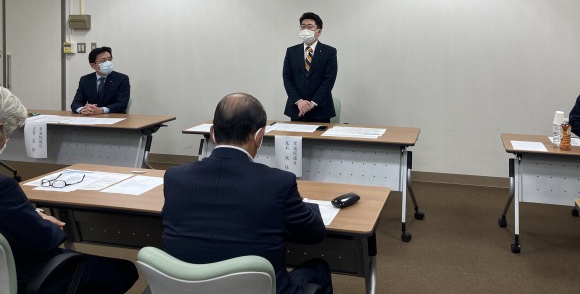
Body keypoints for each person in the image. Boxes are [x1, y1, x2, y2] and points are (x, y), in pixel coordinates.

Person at [163, 93, 333, 294]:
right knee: (319, 269)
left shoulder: (174, 177)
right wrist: (303, 205)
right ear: (259, 136)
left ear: (212, 133)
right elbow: (314, 233)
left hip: (189, 289)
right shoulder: (278, 183)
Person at [0, 87, 138, 294]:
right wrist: (43, 222)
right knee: (124, 271)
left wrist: (30, 215)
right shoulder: (4, 188)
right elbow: (45, 240)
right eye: (9, 134)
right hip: (24, 275)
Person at [283, 12, 338, 123]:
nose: (305, 30)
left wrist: (312, 104)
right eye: (303, 27)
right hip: (297, 109)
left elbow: (329, 80)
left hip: (320, 110)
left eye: (309, 27)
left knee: (321, 136)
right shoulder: (291, 51)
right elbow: (287, 78)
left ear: (319, 31)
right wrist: (299, 101)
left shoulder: (329, 52)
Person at [70, 46, 130, 115]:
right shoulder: (85, 80)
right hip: (92, 118)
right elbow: (76, 103)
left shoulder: (122, 79)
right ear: (93, 65)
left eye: (109, 59)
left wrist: (101, 110)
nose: (108, 63)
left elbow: (122, 104)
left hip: (114, 117)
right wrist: (82, 110)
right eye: (103, 60)